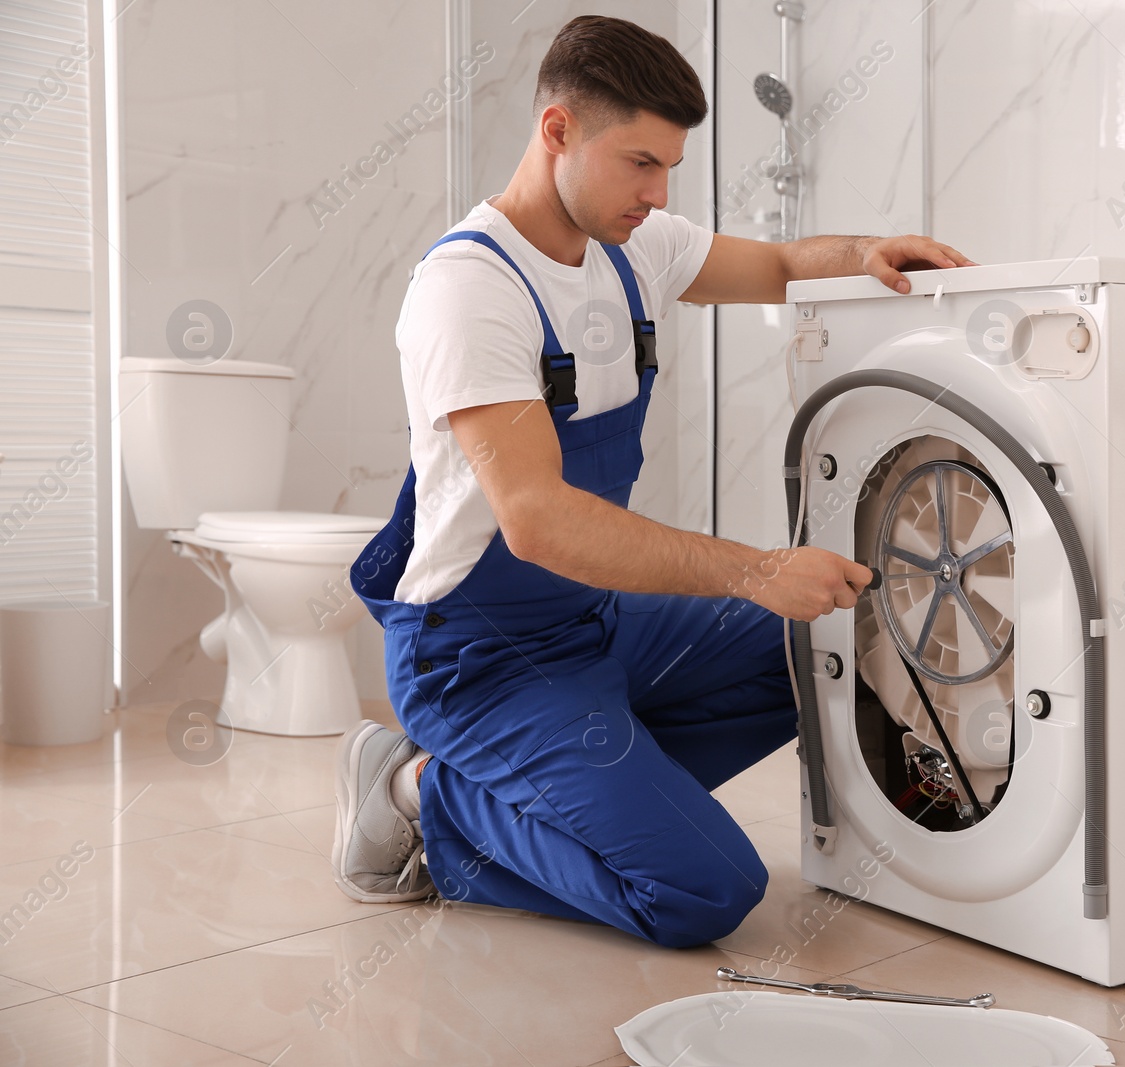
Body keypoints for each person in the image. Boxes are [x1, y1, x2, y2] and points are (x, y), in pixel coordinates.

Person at [332, 14, 974, 948]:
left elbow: (787, 265)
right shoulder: (471, 289)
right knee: (701, 891)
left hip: (594, 620)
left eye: (668, 165)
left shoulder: (635, 246)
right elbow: (539, 522)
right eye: (639, 161)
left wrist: (871, 252)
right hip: (481, 658)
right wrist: (754, 569)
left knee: (822, 647)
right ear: (557, 131)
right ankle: (423, 793)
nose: (658, 189)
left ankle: (585, 793)